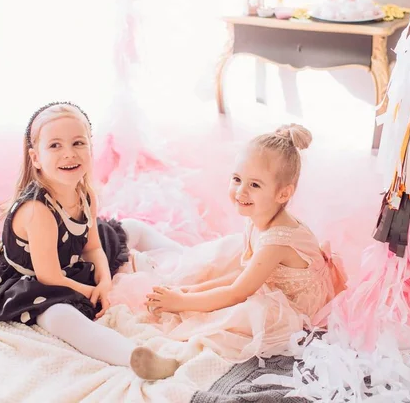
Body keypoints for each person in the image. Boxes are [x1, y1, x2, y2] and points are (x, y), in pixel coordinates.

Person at [0, 101, 180, 380]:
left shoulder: (84, 194)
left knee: (131, 228)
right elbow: (49, 275)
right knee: (58, 316)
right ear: (36, 159)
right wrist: (88, 290)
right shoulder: (37, 210)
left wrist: (104, 281)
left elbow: (92, 247)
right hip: (36, 279)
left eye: (78, 143)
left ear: (91, 149)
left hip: (71, 259)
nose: (69, 153)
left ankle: (196, 258)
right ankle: (134, 356)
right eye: (55, 146)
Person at [144, 124, 347, 361]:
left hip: (295, 308)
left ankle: (177, 358)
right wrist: (192, 291)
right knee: (221, 265)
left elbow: (237, 293)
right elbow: (243, 274)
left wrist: (183, 302)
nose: (240, 191)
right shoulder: (259, 217)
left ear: (283, 194)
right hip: (270, 282)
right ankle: (190, 300)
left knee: (245, 314)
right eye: (237, 179)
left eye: (254, 185)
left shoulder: (277, 240)